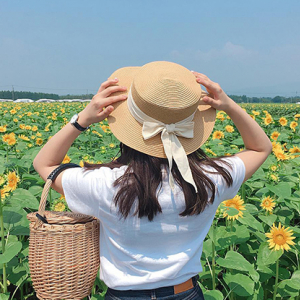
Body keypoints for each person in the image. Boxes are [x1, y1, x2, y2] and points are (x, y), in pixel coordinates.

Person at [33, 61, 272, 300]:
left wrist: (81, 120)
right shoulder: (211, 179)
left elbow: (45, 164)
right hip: (186, 293)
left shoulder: (105, 183)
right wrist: (229, 106)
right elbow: (260, 148)